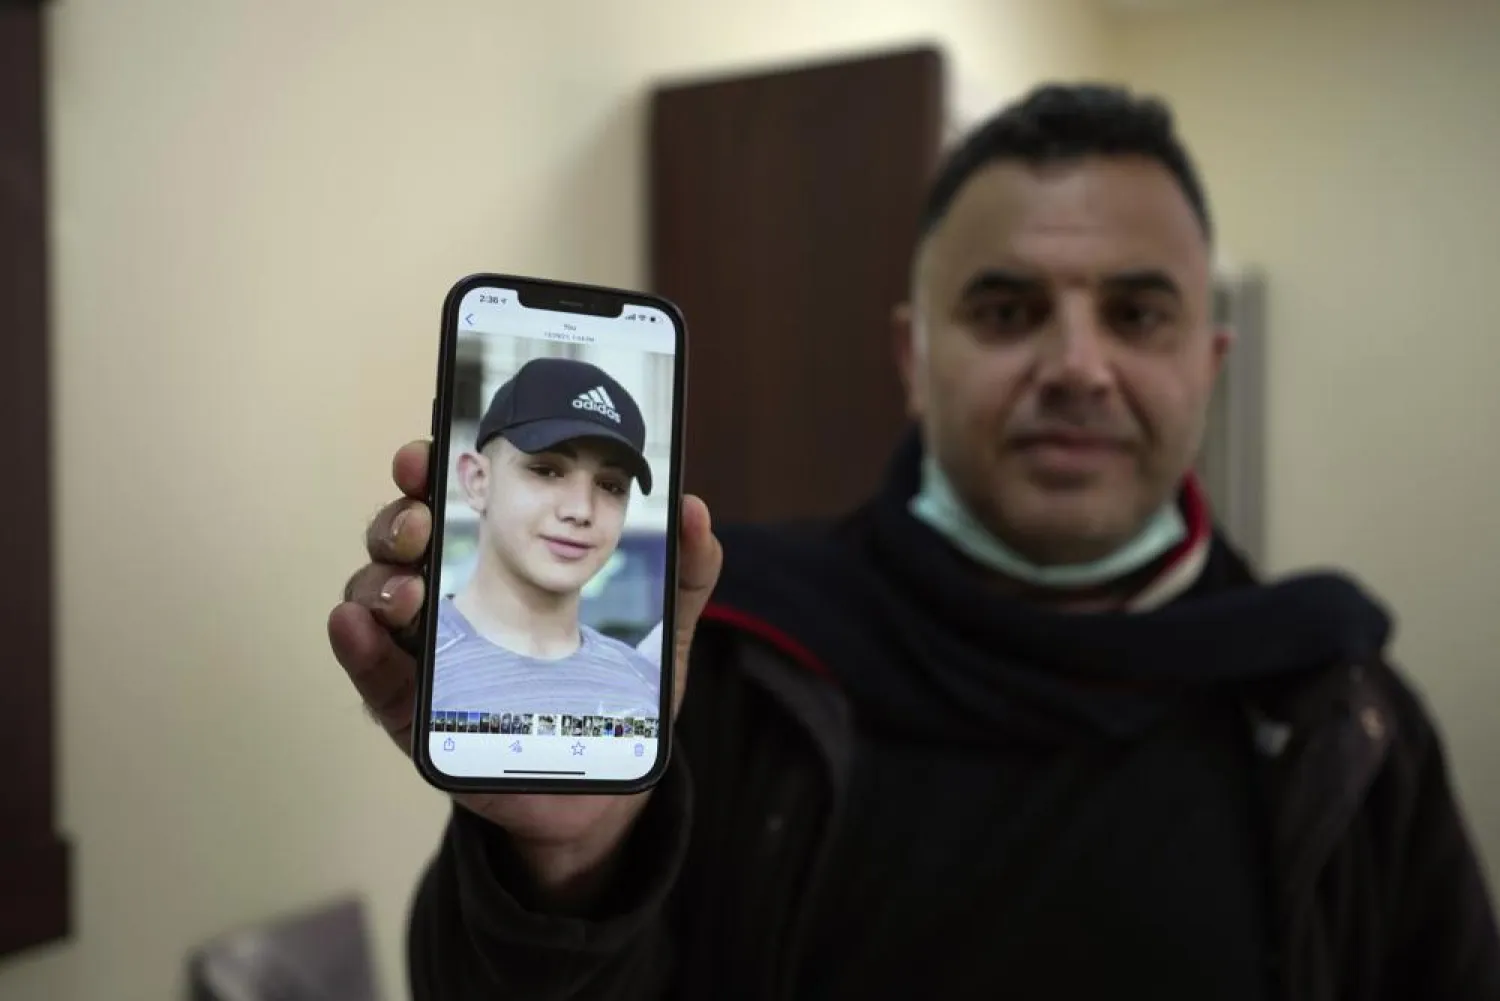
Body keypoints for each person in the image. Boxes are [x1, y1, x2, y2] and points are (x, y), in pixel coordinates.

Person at [329, 84, 1500, 999]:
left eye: (1138, 313)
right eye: (1006, 310)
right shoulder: (719, 661)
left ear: (1210, 361)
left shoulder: (1349, 720)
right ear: (910, 357)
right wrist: (569, 867)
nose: (1078, 365)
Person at [432, 356, 661, 722]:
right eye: (547, 470)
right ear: (477, 481)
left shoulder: (641, 683)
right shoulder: (413, 662)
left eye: (610, 486)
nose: (581, 509)